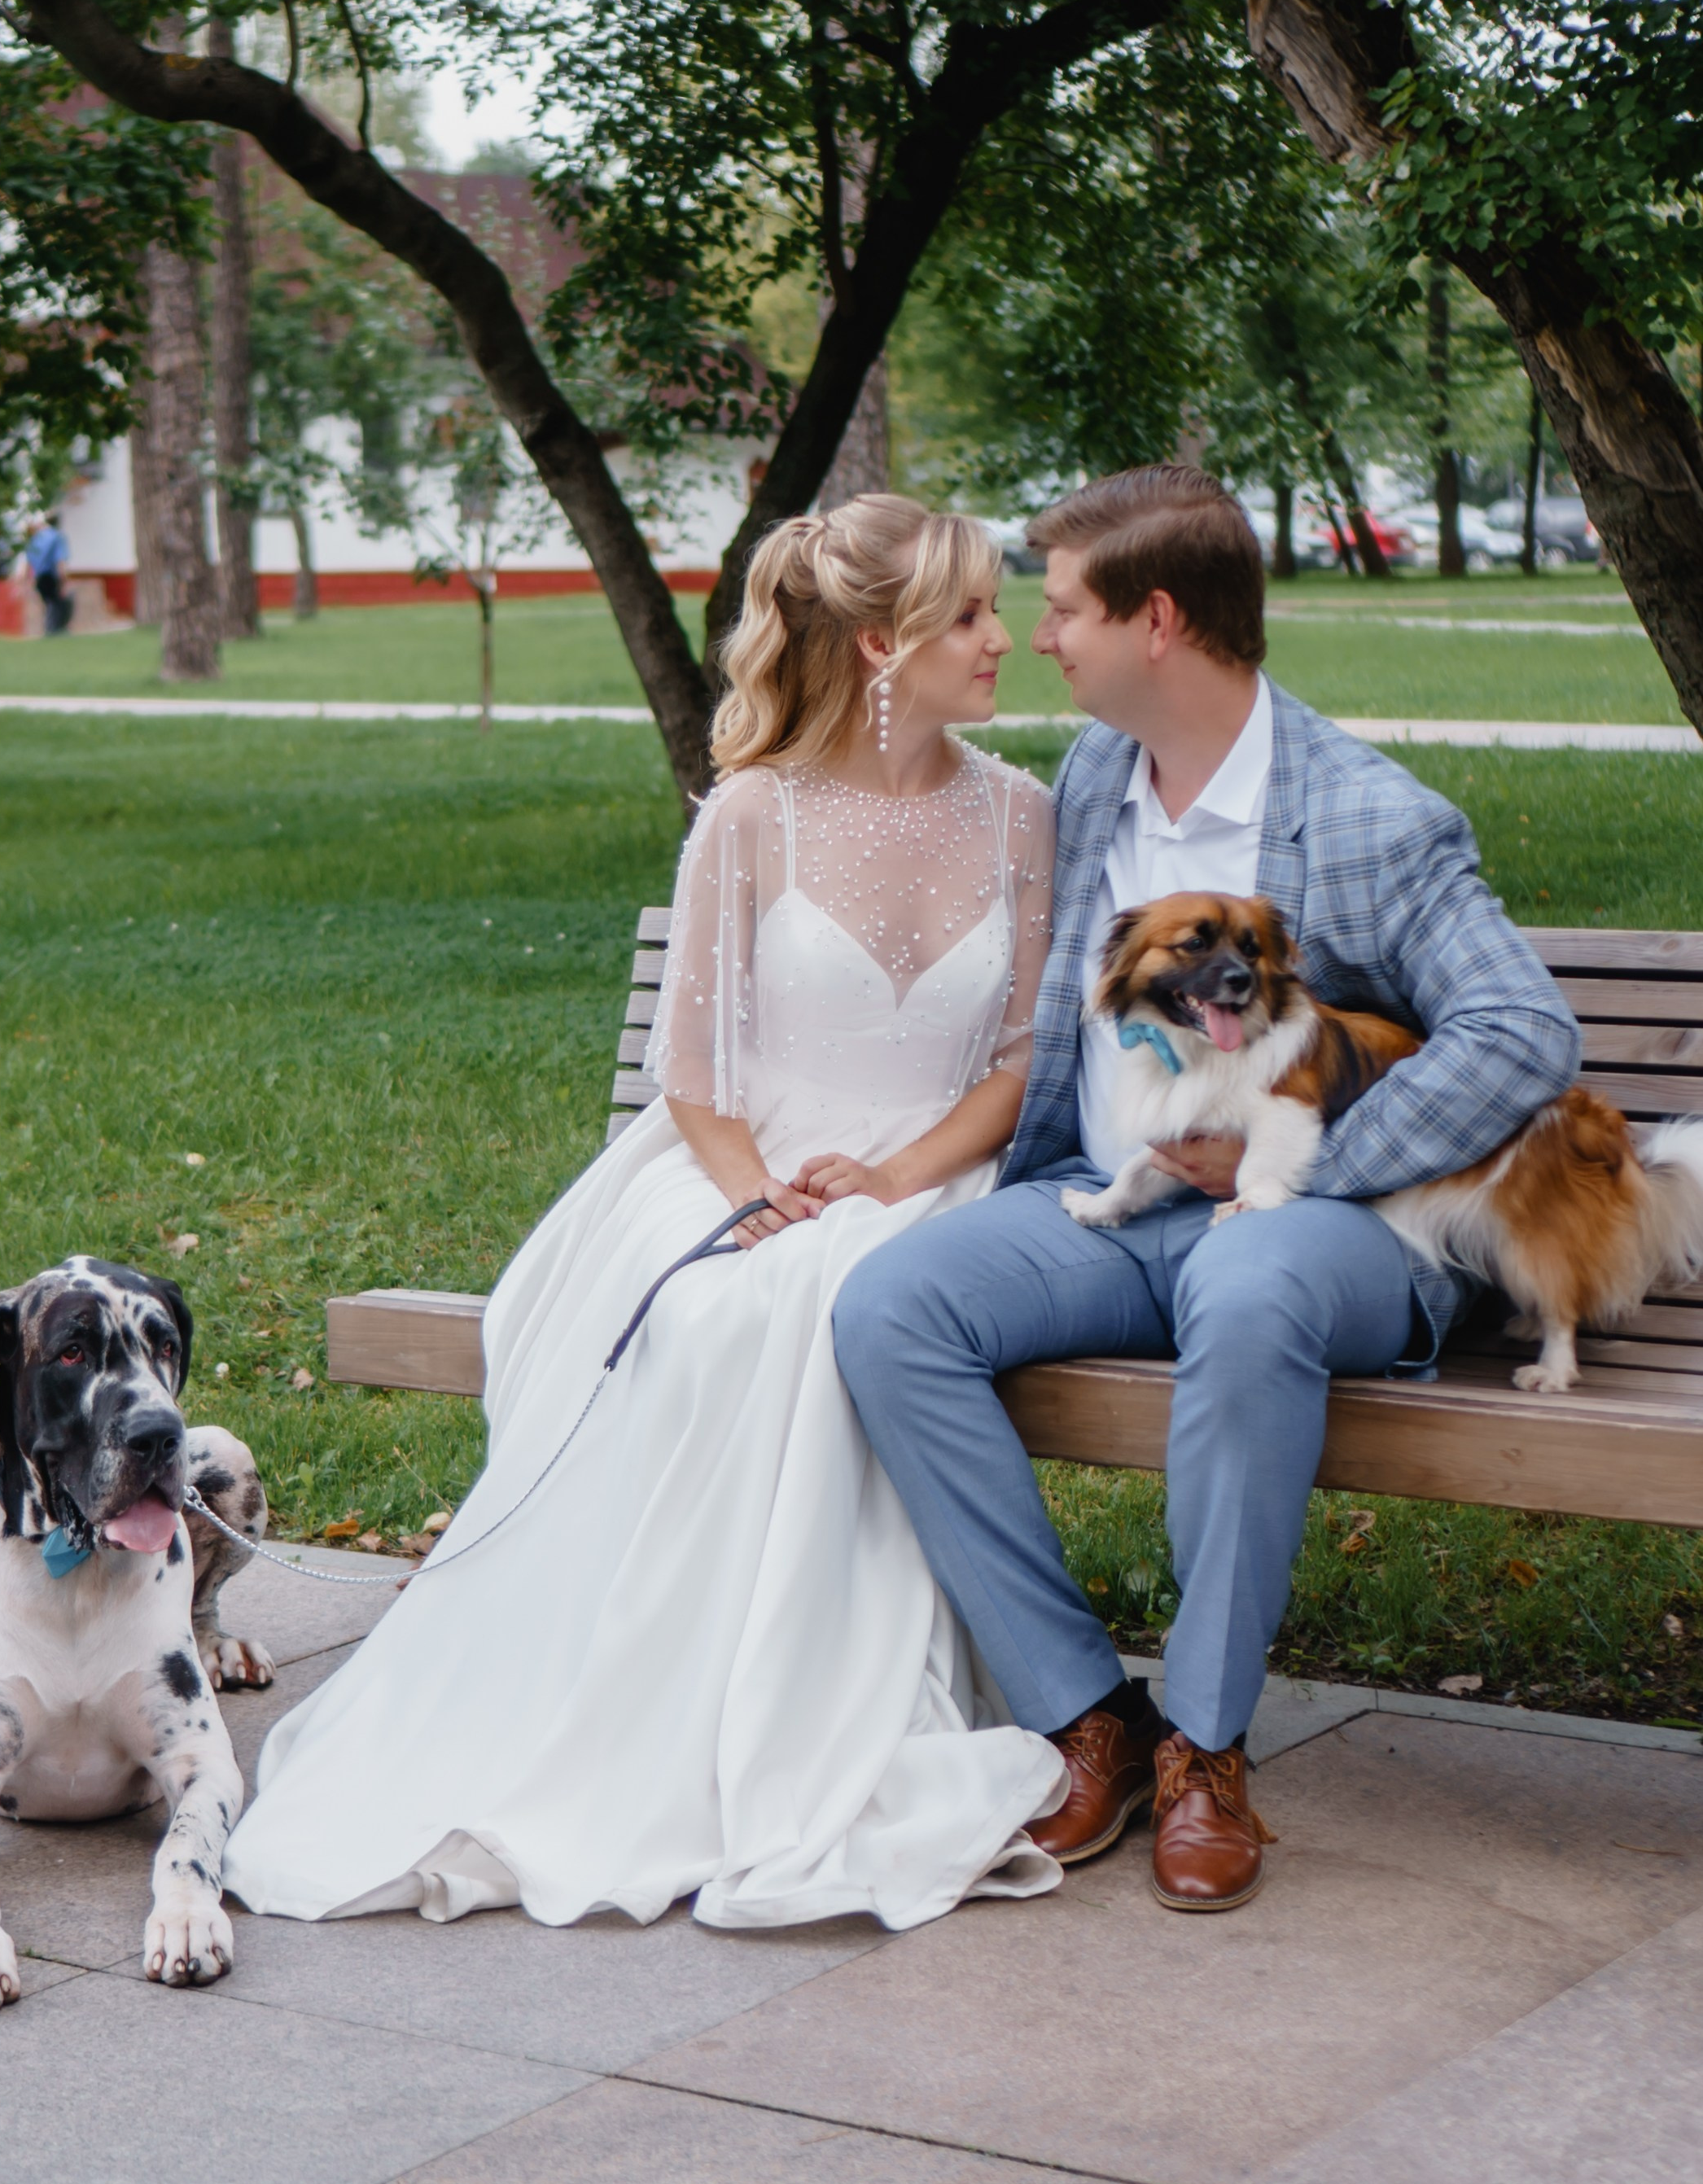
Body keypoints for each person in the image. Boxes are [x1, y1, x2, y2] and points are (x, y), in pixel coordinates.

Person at [224, 498, 1070, 1932]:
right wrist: (755, 1200)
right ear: (883, 644)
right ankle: (662, 1693)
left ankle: (806, 1700)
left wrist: (894, 1178)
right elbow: (693, 1077)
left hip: (932, 1176)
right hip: (739, 1163)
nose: (1005, 638)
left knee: (853, 1295)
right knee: (728, 1305)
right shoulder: (752, 815)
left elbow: (1017, 1065)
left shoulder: (1019, 815)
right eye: (973, 614)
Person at [834, 466, 1582, 1914]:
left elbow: (1521, 1031)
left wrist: (1304, 1163)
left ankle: (1204, 1745)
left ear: (1156, 621)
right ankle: (1082, 1713)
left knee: (1242, 1289)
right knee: (890, 1310)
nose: (1038, 635)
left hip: (1324, 1231)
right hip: (1107, 1204)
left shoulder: (1365, 815)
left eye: (1063, 607)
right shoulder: (1093, 780)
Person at [25, 512, 72, 636]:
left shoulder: (36, 538)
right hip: (51, 576)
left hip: (39, 577)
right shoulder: (57, 537)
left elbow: (29, 561)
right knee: (58, 602)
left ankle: (51, 629)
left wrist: (29, 580)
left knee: (49, 602)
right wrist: (64, 579)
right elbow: (60, 561)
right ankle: (53, 629)